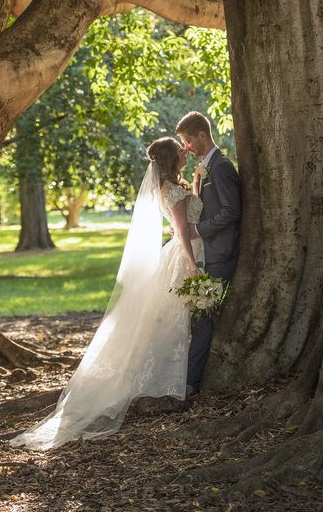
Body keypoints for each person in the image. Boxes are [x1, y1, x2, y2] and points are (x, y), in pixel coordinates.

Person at [10, 137, 204, 450]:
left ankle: (172, 378)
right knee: (178, 318)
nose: (185, 152)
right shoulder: (174, 192)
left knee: (173, 317)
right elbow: (182, 228)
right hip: (186, 253)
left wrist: (195, 183)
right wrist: (192, 264)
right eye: (179, 150)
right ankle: (173, 381)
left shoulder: (165, 189)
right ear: (171, 157)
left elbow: (185, 217)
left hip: (177, 250)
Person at [176, 112, 241, 395]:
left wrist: (197, 231)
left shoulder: (222, 167)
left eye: (188, 141)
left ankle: (190, 384)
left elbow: (231, 211)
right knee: (197, 317)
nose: (186, 147)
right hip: (206, 254)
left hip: (219, 253)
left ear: (202, 135)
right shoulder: (204, 168)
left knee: (202, 319)